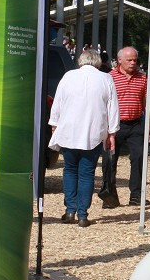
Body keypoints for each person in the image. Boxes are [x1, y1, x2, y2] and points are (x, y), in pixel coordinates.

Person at [48, 49, 119, 227]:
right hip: (93, 132)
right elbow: (113, 108)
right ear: (98, 63)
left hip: (69, 131)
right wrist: (112, 132)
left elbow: (58, 103)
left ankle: (70, 210)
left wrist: (54, 124)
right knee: (87, 174)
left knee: (70, 170)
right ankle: (82, 214)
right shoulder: (106, 78)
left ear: (80, 61)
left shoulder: (68, 77)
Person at [109, 46, 148, 206]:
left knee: (138, 157)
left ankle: (136, 195)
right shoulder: (110, 77)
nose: (133, 63)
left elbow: (146, 101)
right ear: (119, 60)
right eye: (129, 60)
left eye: (135, 60)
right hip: (115, 125)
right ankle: (110, 195)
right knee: (110, 160)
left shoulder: (143, 78)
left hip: (135, 123)